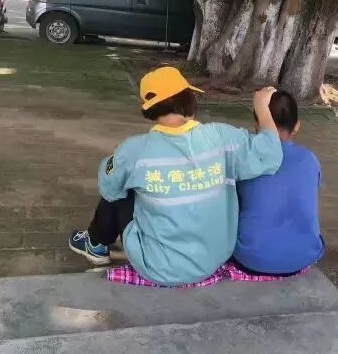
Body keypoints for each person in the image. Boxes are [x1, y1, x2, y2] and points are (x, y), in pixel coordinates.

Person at [68, 66, 282, 287]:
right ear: (189, 98)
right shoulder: (223, 137)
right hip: (214, 259)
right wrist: (262, 108)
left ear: (148, 108)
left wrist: (118, 160)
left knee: (121, 187)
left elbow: (109, 190)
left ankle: (95, 243)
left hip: (158, 267)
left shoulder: (133, 151)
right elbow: (271, 154)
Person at [233, 90, 325, 276]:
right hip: (303, 256)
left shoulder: (246, 158)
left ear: (257, 123)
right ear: (296, 126)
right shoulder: (309, 159)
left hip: (252, 258)